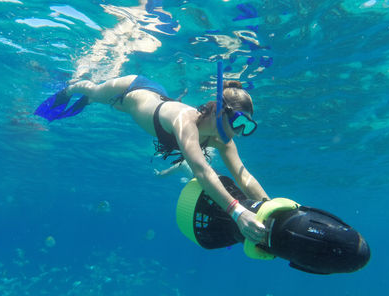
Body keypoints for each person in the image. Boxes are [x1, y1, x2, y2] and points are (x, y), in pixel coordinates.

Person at [35, 70, 267, 245]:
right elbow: (202, 170)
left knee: (114, 105)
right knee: (95, 92)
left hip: (149, 100)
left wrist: (271, 207)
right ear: (218, 110)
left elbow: (243, 176)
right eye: (238, 121)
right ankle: (71, 88)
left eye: (247, 126)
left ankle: (90, 98)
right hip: (133, 87)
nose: (239, 131)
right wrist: (238, 212)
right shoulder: (185, 122)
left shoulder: (223, 140)